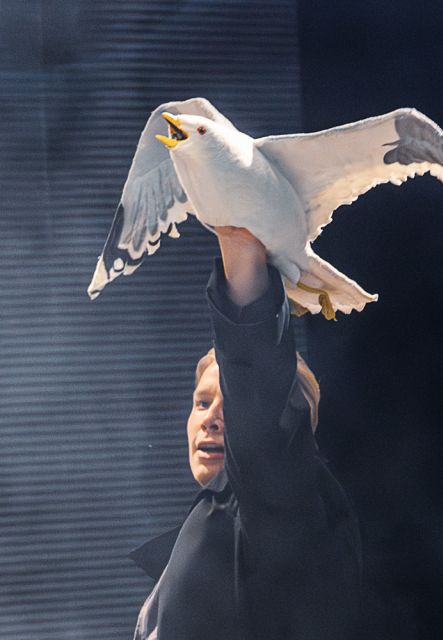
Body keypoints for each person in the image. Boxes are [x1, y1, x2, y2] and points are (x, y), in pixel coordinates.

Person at [129, 226, 363, 639]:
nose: (212, 418)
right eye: (202, 403)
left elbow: (256, 380)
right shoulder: (214, 524)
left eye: (229, 404)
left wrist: (239, 241)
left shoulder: (282, 497)